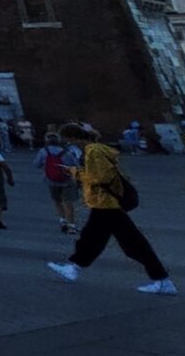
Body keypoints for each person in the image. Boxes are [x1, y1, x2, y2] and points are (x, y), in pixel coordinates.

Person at [48, 123, 174, 293]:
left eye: (68, 140)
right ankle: (74, 268)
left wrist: (75, 172)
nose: (69, 144)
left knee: (130, 243)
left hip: (106, 203)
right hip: (104, 203)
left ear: (74, 138)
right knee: (93, 239)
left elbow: (101, 177)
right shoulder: (96, 149)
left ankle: (163, 280)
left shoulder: (93, 151)